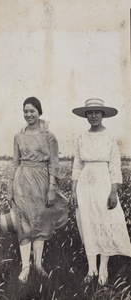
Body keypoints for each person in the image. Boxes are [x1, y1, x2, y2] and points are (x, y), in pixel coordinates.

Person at [7, 97, 68, 283]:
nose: (28, 114)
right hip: (22, 182)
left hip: (42, 182)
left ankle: (38, 264)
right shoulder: (19, 136)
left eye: (32, 111)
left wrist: (51, 188)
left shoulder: (49, 136)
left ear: (39, 111)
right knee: (23, 222)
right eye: (25, 111)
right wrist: (10, 187)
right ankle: (25, 266)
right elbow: (15, 162)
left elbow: (54, 163)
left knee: (40, 221)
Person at [71, 98, 131, 285]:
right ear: (86, 115)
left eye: (98, 112)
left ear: (103, 114)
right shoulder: (81, 137)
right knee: (87, 222)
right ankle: (91, 269)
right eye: (90, 112)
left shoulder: (110, 136)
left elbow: (114, 165)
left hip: (104, 183)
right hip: (84, 186)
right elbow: (77, 164)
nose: (94, 115)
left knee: (105, 221)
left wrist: (114, 191)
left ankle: (103, 267)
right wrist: (73, 190)